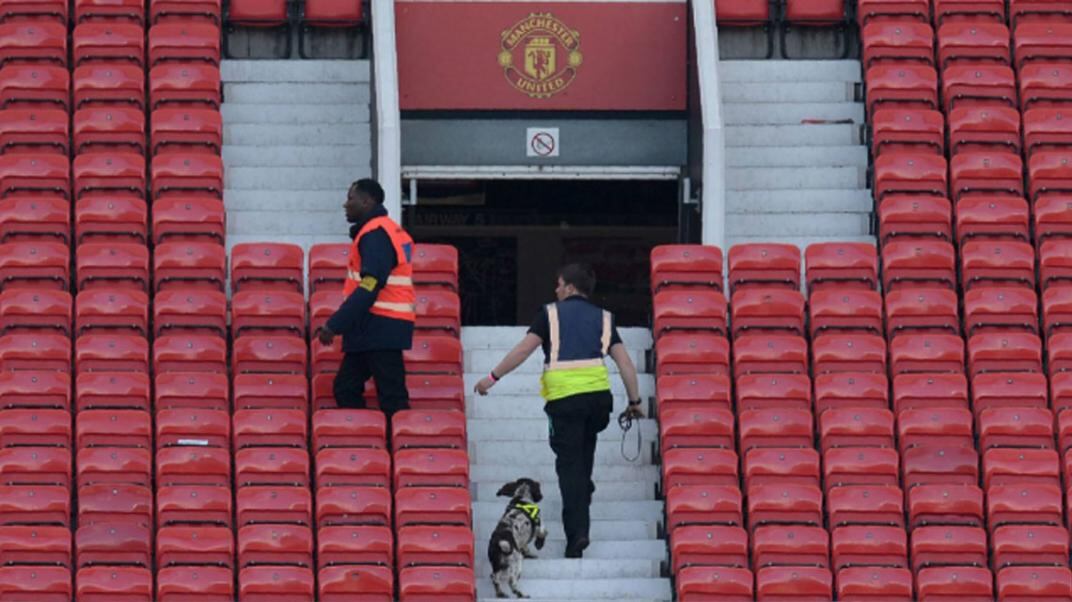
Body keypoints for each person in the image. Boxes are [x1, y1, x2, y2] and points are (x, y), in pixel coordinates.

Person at [474, 263, 644, 559]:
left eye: (558, 284)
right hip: (597, 402)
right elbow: (625, 363)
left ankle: (577, 533)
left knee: (569, 467)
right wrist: (634, 402)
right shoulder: (605, 318)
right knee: (584, 453)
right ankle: (584, 491)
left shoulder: (550, 314)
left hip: (565, 402)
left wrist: (492, 378)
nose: (555, 289)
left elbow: (523, 350)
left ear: (569, 288)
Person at [318, 178, 415, 424]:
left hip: (382, 327)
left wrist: (335, 324)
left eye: (350, 198)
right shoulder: (380, 231)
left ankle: (399, 453)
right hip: (371, 328)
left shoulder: (375, 235)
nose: (345, 204)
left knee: (392, 398)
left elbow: (370, 285)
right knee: (346, 388)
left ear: (366, 201)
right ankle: (369, 446)